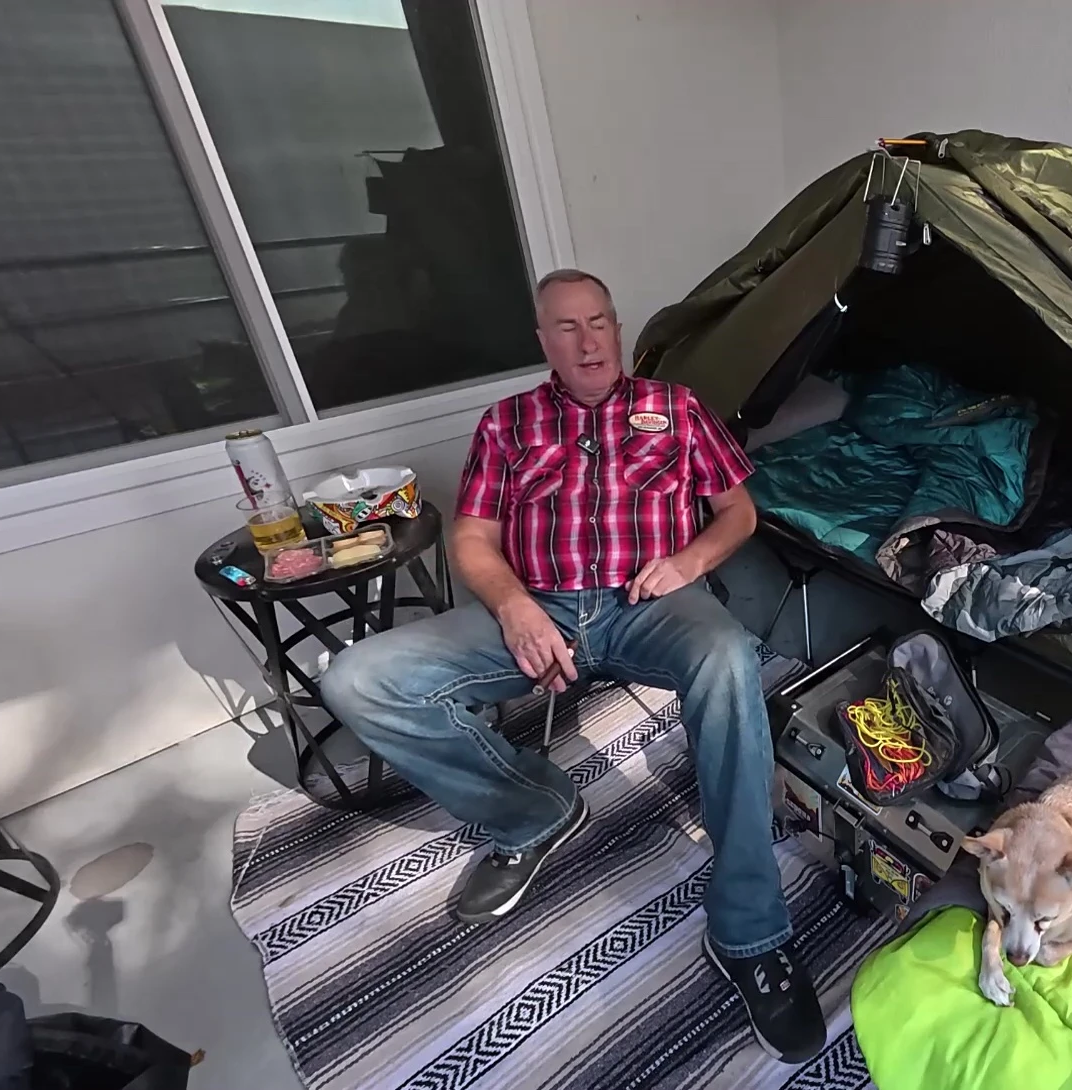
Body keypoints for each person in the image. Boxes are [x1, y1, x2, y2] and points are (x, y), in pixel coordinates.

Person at [319, 269, 825, 1063]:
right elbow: (475, 539)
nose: (588, 342)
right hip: (540, 606)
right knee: (354, 680)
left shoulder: (678, 409)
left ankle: (750, 933)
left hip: (650, 600)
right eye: (567, 328)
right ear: (543, 341)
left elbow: (739, 511)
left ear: (617, 329)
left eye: (600, 323)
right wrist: (514, 606)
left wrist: (691, 561)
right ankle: (529, 811)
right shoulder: (509, 423)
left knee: (730, 658)